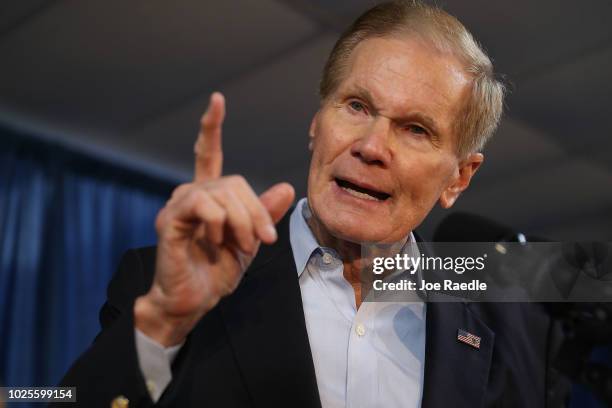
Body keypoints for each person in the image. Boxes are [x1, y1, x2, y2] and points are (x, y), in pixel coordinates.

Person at [56, 1, 558, 407]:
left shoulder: (517, 338)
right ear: (317, 123)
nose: (370, 146)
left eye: (415, 129)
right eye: (357, 106)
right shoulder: (160, 284)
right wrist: (162, 321)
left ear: (459, 178)